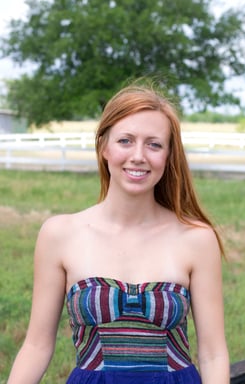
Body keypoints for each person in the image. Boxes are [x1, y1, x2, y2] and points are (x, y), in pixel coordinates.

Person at [7, 84, 229, 384]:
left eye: (154, 144)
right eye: (125, 140)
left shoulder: (197, 239)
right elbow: (36, 345)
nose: (138, 156)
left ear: (168, 155)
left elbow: (213, 354)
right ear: (104, 147)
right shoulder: (60, 234)